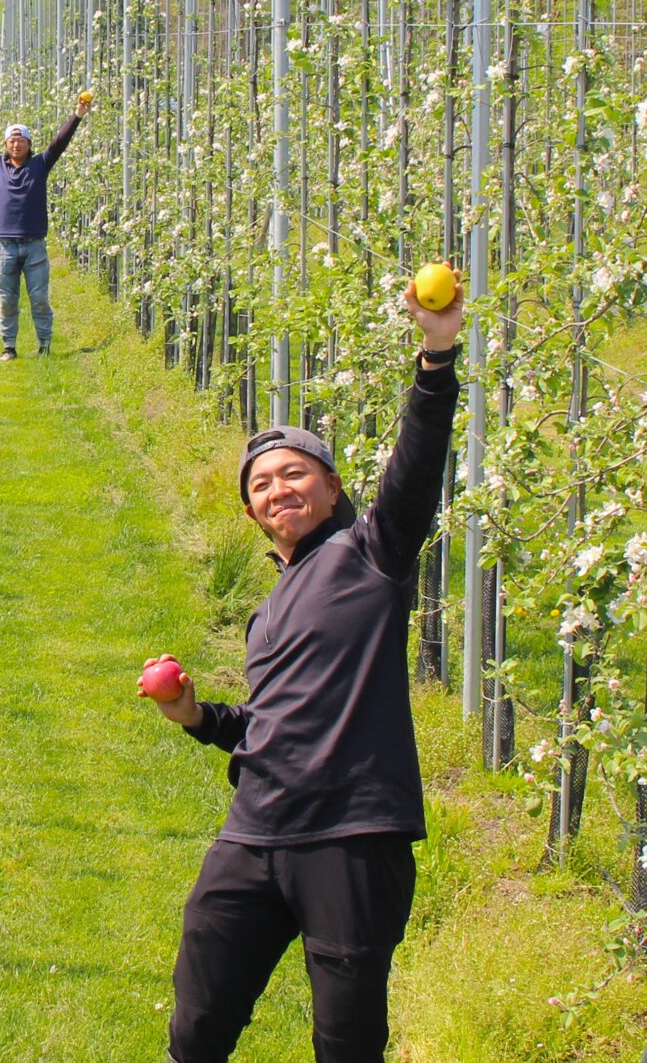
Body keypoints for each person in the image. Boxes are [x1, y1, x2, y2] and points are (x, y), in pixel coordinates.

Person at [139, 274, 466, 1063]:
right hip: (256, 830)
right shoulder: (273, 607)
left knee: (347, 1043)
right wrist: (196, 715)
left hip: (352, 835)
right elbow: (272, 721)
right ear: (252, 512)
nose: (277, 486)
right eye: (261, 483)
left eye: (293, 472)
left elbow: (416, 472)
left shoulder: (371, 556)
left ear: (332, 487)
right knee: (198, 1019)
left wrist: (436, 354)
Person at [0, 89, 90, 361]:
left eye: (21, 140)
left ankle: (44, 346)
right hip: (5, 247)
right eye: (12, 140)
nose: (16, 145)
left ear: (28, 143)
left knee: (39, 300)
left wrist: (77, 115)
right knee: (7, 302)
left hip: (35, 246)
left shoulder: (40, 164)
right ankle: (9, 347)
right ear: (6, 144)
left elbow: (60, 142)